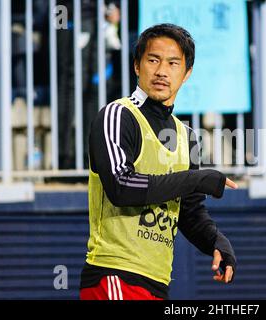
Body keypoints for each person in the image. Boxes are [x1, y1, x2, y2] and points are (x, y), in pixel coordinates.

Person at [80, 23, 238, 300]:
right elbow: (121, 187)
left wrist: (216, 241)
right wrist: (198, 179)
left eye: (173, 63)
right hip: (114, 274)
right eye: (153, 60)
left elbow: (188, 211)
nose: (162, 71)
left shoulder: (186, 137)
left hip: (157, 282)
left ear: (187, 73)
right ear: (137, 66)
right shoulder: (118, 116)